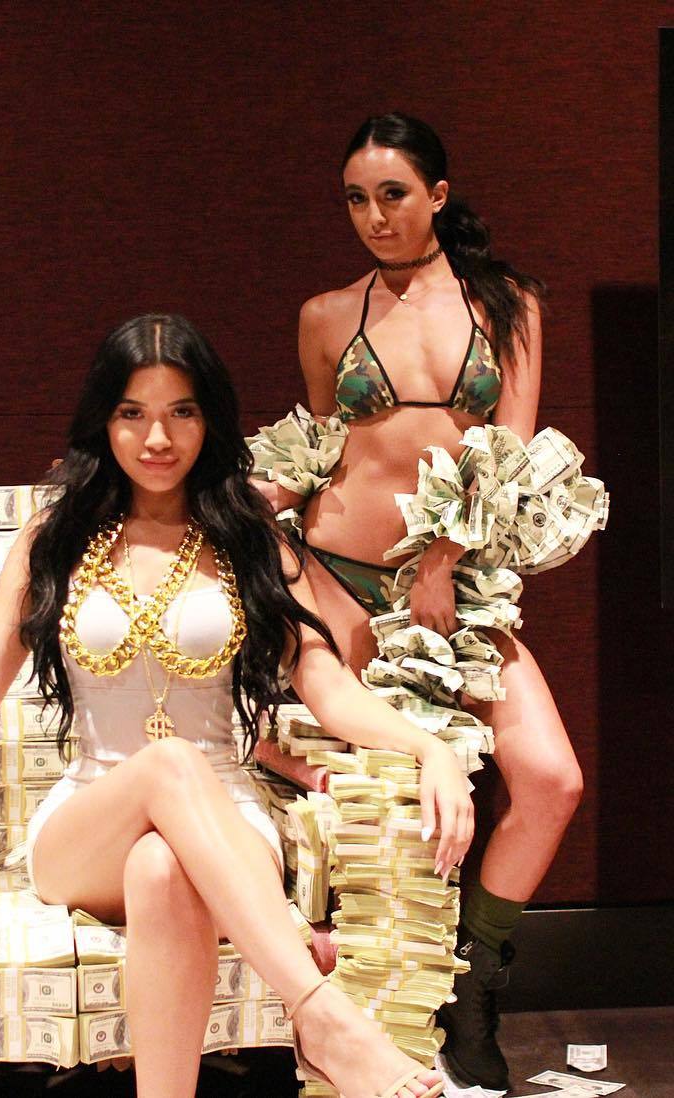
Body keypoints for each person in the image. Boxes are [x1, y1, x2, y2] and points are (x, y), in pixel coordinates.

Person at [0, 313, 473, 1098]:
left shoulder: (249, 539)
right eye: (133, 412)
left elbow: (327, 686)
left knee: (162, 866)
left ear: (209, 420)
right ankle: (322, 1018)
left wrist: (431, 748)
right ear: (104, 418)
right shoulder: (55, 539)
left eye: (180, 412)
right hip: (85, 822)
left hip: (230, 822)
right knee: (168, 766)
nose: (156, 438)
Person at [259, 113, 577, 1094]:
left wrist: (442, 559)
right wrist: (258, 513)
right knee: (370, 800)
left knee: (550, 779)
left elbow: (510, 456)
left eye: (393, 194)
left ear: (437, 195)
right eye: (356, 199)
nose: (374, 216)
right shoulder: (328, 315)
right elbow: (320, 449)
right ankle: (366, 1022)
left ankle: (472, 989)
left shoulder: (509, 306)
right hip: (337, 572)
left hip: (455, 586)